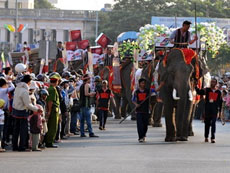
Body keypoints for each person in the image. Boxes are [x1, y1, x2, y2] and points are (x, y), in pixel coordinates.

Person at [12, 75, 42, 151]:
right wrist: (36, 109)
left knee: (16, 130)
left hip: (15, 109)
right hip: (22, 111)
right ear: (29, 82)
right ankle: (22, 146)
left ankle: (14, 146)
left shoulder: (17, 88)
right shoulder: (25, 91)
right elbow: (27, 104)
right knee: (23, 130)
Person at [195, 78, 222, 143]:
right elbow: (199, 92)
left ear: (216, 83)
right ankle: (206, 137)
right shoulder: (207, 90)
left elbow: (220, 102)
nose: (213, 83)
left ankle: (213, 138)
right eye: (212, 82)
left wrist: (220, 112)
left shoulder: (218, 92)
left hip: (214, 110)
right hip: (207, 109)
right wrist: (196, 86)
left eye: (214, 82)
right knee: (207, 124)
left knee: (213, 123)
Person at [44, 73, 61, 148]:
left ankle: (48, 141)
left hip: (54, 109)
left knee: (51, 126)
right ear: (56, 81)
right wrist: (49, 111)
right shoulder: (52, 89)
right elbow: (50, 101)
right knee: (52, 127)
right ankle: (49, 142)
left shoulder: (50, 88)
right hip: (53, 109)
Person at [132, 78, 150, 143]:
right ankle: (140, 137)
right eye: (142, 83)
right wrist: (136, 104)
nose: (143, 84)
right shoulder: (136, 92)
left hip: (145, 110)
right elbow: (133, 100)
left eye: (144, 83)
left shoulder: (147, 91)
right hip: (139, 110)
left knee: (145, 124)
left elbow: (153, 93)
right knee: (139, 124)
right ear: (139, 84)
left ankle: (144, 135)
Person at [0, 77, 15, 149]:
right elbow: (12, 87)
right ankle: (3, 142)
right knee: (5, 127)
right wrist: (9, 81)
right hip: (4, 110)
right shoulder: (3, 90)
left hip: (2, 109)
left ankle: (2, 142)